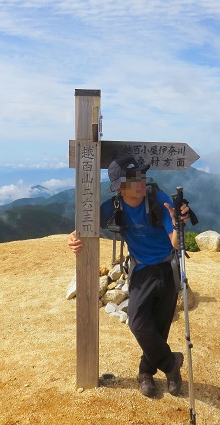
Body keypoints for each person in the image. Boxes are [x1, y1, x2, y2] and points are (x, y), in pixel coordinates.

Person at [67, 156, 192, 398]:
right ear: (120, 187)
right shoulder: (113, 208)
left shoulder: (160, 200)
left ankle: (145, 372)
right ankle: (171, 363)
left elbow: (175, 243)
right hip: (142, 270)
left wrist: (177, 224)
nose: (141, 181)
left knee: (159, 326)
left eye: (141, 175)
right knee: (138, 323)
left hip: (168, 268)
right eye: (133, 178)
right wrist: (72, 238)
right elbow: (84, 227)